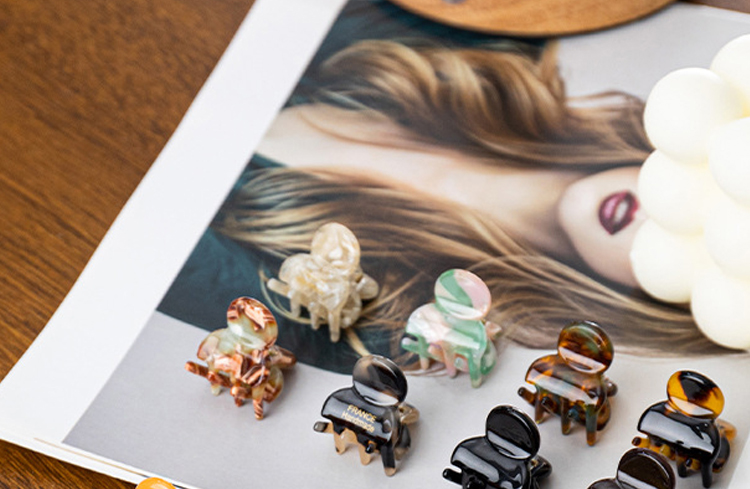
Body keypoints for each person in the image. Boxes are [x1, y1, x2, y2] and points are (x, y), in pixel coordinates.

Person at [161, 8, 717, 371]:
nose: (659, 212)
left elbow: (164, 256)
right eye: (702, 190)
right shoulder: (496, 42)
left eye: (689, 246)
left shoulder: (386, 328)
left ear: (656, 306)